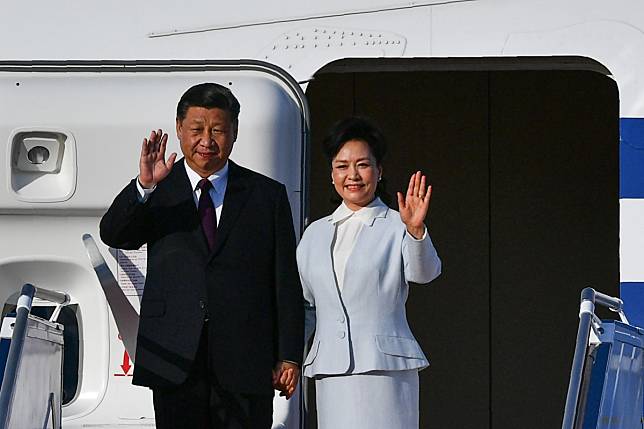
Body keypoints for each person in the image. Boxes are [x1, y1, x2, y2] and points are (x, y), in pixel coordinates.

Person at [100, 83, 303, 429]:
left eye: (218, 130)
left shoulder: (266, 195)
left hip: (245, 358)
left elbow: (284, 280)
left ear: (234, 132)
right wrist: (143, 187)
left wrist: (288, 355)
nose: (206, 140)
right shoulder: (159, 191)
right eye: (196, 129)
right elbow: (114, 234)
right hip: (175, 358)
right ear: (179, 129)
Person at [297, 117, 441, 428]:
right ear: (331, 174)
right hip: (331, 369)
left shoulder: (396, 224)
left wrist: (416, 231)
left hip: (384, 368)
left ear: (379, 171)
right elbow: (307, 305)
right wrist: (289, 357)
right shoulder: (314, 234)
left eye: (362, 164)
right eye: (342, 166)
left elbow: (425, 272)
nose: (352, 175)